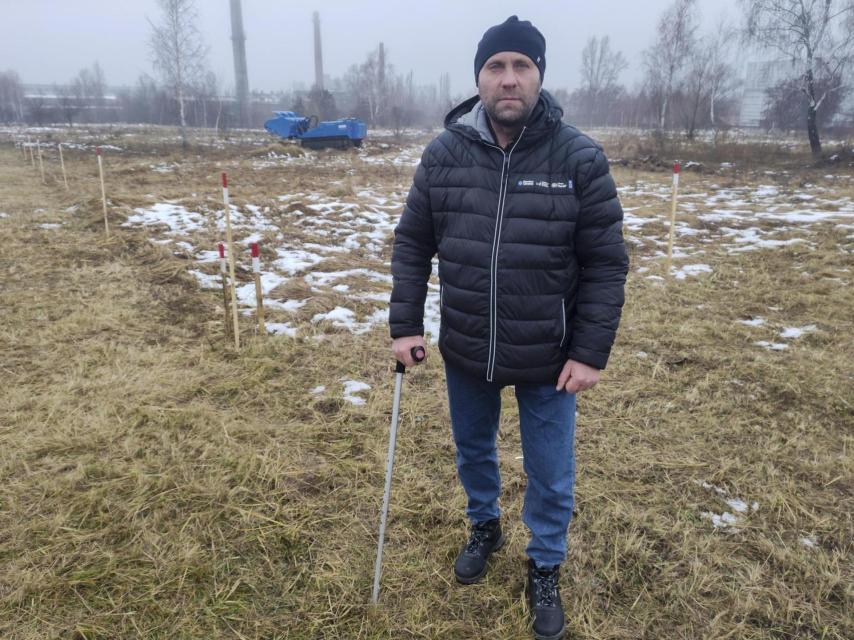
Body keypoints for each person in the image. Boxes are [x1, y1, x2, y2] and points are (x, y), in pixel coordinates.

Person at [389, 15, 628, 640]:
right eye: (497, 66)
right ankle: (483, 523)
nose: (509, 79)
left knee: (551, 471)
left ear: (540, 76)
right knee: (473, 449)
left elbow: (606, 263)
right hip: (466, 343)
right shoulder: (444, 154)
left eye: (522, 65)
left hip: (550, 355)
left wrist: (590, 352)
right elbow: (413, 243)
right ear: (479, 77)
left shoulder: (578, 157)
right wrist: (404, 322)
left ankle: (545, 564)